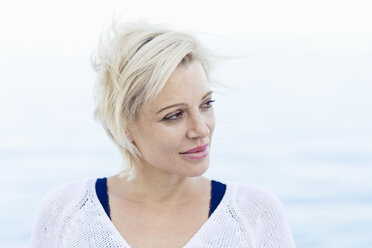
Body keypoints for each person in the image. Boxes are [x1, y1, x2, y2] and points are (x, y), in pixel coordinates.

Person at [30, 21, 296, 248]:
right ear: (126, 125)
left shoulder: (254, 214)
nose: (201, 129)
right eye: (174, 115)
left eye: (206, 104)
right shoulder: (66, 212)